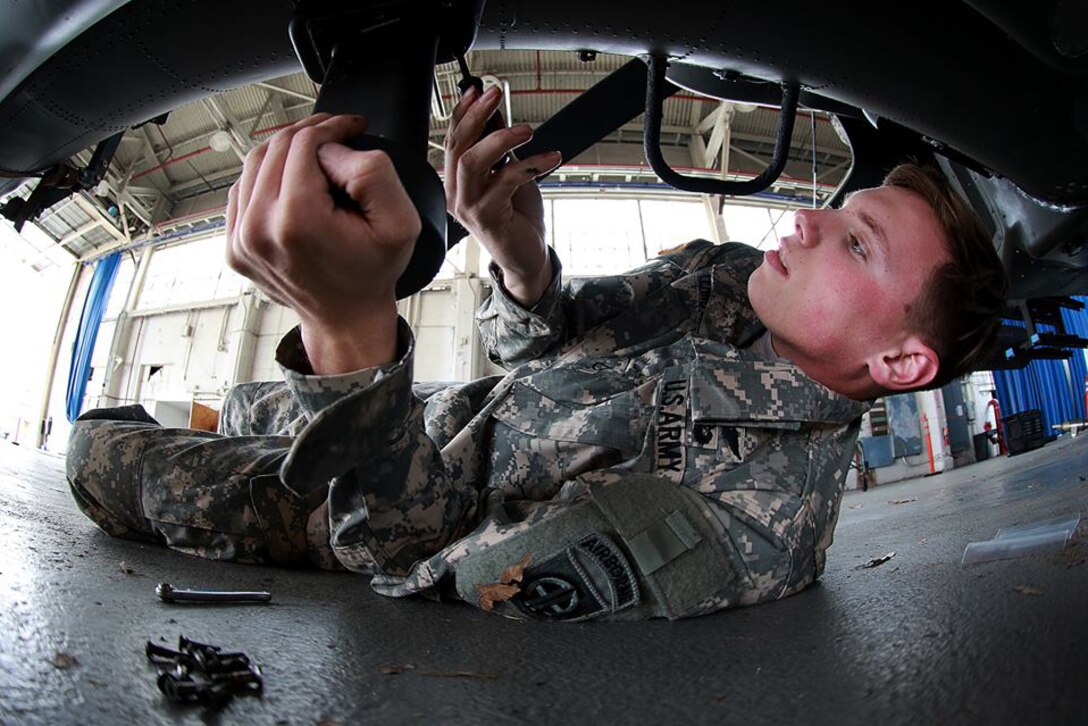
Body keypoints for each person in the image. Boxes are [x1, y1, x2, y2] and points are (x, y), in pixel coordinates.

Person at [65, 85, 1007, 621]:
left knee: (96, 454)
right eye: (839, 210)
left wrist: (350, 330)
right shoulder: (730, 280)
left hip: (370, 493)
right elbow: (553, 335)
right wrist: (518, 257)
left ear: (899, 364)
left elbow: (421, 559)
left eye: (856, 243)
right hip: (435, 405)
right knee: (242, 403)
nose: (808, 217)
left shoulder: (751, 527)